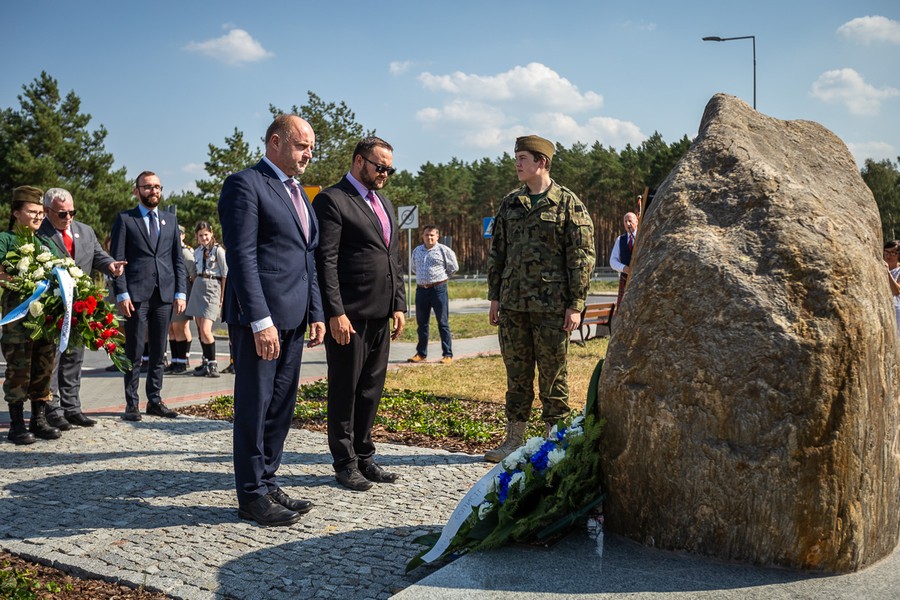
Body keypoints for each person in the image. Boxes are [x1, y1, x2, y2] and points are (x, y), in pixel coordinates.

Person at [219, 114, 325, 527]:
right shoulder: (245, 185)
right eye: (302, 146)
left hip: (295, 318)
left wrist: (315, 312)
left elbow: (307, 258)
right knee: (255, 406)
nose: (308, 154)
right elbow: (242, 256)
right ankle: (250, 496)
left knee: (281, 406)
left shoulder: (298, 192)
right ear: (276, 142)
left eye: (312, 147)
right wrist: (259, 319)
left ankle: (267, 481)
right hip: (261, 320)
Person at [484, 135, 595, 463]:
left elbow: (582, 256)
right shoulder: (510, 204)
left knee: (553, 374)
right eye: (516, 157)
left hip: (551, 308)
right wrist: (495, 297)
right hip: (513, 306)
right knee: (516, 373)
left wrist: (576, 303)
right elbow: (497, 252)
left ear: (541, 163)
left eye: (522, 158)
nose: (516, 164)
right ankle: (513, 440)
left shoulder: (568, 204)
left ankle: (554, 441)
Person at [314, 136, 406, 492]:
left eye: (389, 169)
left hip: (381, 313)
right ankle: (344, 462)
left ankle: (365, 457)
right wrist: (334, 312)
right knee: (344, 389)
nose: (385, 174)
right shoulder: (332, 200)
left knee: (370, 389)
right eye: (379, 167)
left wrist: (398, 303)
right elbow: (327, 260)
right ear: (358, 161)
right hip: (348, 317)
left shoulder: (385, 203)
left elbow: (391, 258)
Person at [39, 188, 125, 429]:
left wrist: (111, 265)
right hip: (52, 308)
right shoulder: (39, 233)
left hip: (79, 307)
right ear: (46, 211)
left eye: (72, 212)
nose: (68, 218)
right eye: (62, 213)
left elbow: (98, 255)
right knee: (52, 360)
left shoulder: (85, 231)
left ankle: (72, 407)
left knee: (75, 357)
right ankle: (51, 408)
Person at [110, 171, 187, 421]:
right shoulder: (125, 219)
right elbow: (117, 261)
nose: (153, 191)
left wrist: (180, 291)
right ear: (137, 191)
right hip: (135, 295)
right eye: (147, 187)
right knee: (133, 351)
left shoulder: (170, 220)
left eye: (157, 187)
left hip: (164, 295)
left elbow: (177, 259)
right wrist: (121, 293)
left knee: (158, 350)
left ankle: (154, 400)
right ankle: (131, 403)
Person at [0, 186, 65, 444]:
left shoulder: (45, 243)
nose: (38, 217)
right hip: (18, 320)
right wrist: (22, 282)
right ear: (16, 213)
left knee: (43, 367)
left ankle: (38, 420)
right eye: (32, 212)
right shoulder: (5, 239)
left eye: (41, 212)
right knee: (19, 370)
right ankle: (16, 424)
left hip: (44, 320)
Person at [407, 225, 458, 364]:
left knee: (443, 322)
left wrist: (441, 279)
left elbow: (454, 268)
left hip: (438, 290)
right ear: (422, 236)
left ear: (437, 236)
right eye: (426, 235)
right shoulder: (417, 251)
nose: (429, 237)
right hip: (421, 291)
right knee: (422, 324)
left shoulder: (444, 250)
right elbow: (413, 269)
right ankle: (421, 354)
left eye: (432, 235)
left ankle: (447, 354)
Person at [186, 221, 227, 378]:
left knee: (205, 329)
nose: (204, 238)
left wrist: (222, 296)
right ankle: (206, 363)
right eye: (200, 235)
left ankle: (213, 364)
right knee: (199, 329)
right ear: (196, 237)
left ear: (211, 234)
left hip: (212, 286)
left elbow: (224, 275)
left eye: (206, 235)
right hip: (198, 286)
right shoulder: (196, 251)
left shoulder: (219, 251)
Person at [165, 225, 197, 375]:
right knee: (172, 329)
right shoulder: (168, 251)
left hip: (182, 293)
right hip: (170, 293)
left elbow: (194, 275)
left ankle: (183, 362)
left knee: (180, 327)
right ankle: (176, 361)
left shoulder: (185, 253)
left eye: (179, 234)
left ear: (183, 236)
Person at [610, 212, 638, 308]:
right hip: (625, 279)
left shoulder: (642, 236)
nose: (627, 224)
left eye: (630, 221)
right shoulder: (620, 239)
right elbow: (612, 261)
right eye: (625, 221)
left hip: (640, 279)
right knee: (623, 310)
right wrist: (624, 268)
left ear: (637, 221)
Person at [884, 240, 900, 337]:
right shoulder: (878, 267)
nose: (889, 256)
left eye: (893, 252)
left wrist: (888, 273)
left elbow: (897, 290)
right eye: (886, 252)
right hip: (884, 309)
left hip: (897, 311)